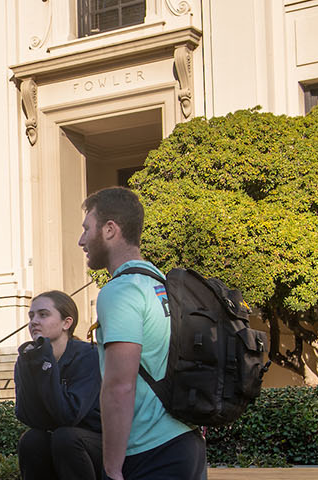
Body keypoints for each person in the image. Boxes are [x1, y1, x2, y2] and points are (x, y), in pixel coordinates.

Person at [78, 186, 205, 480]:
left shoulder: (121, 292)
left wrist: (111, 469)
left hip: (150, 452)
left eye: (87, 229)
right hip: (187, 443)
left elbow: (119, 387)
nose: (82, 240)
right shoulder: (162, 286)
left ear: (110, 230)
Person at [13, 290, 103, 480]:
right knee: (31, 440)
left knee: (66, 437)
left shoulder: (89, 356)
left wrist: (46, 365)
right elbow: (26, 414)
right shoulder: (30, 358)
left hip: (98, 442)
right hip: (62, 439)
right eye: (32, 316)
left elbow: (69, 414)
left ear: (66, 323)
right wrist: (34, 364)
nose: (34, 321)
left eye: (43, 314)